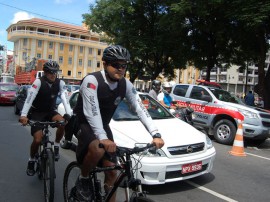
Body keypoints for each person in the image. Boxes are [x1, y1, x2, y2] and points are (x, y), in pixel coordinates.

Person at [73, 45, 164, 202]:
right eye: (116, 64)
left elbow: (140, 108)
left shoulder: (126, 84)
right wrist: (103, 138)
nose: (121, 69)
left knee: (112, 173)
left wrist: (155, 133)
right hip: (84, 124)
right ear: (105, 64)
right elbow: (91, 111)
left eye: (124, 65)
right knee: (98, 149)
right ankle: (84, 178)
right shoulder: (91, 81)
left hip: (103, 127)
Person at [19, 61, 72, 176]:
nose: (53, 75)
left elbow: (65, 99)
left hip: (50, 111)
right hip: (37, 112)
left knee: (63, 123)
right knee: (38, 139)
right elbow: (29, 98)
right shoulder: (38, 82)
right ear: (45, 72)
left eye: (55, 72)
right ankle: (31, 160)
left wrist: (69, 114)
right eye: (50, 72)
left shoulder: (60, 83)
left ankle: (57, 145)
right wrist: (23, 115)